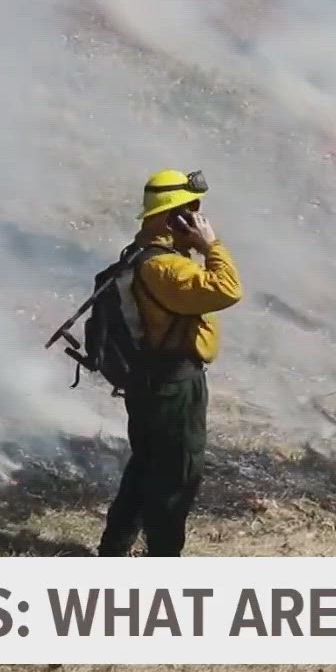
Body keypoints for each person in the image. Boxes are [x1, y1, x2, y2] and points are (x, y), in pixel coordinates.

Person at [97, 169, 243, 557]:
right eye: (192, 209)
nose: (198, 218)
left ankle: (113, 549)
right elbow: (227, 289)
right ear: (173, 216)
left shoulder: (145, 254)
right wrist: (212, 246)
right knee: (177, 475)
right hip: (173, 386)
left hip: (149, 381)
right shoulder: (167, 268)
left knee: (145, 466)